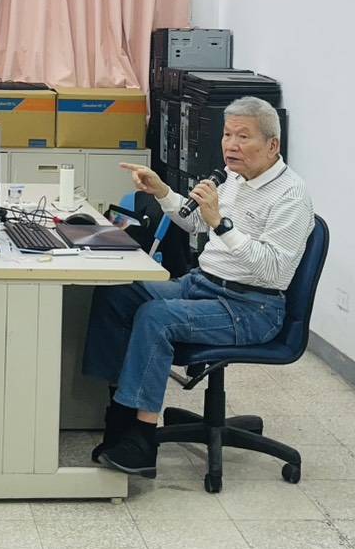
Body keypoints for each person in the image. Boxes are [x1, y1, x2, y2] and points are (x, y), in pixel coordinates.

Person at [82, 95, 315, 477]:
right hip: (202, 284)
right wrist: (162, 191)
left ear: (273, 145)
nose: (230, 145)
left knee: (156, 316)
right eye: (227, 134)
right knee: (118, 291)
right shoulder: (234, 178)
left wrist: (222, 223)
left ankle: (142, 439)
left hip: (251, 306)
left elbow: (273, 270)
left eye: (243, 136)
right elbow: (195, 223)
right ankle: (119, 417)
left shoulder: (291, 195)